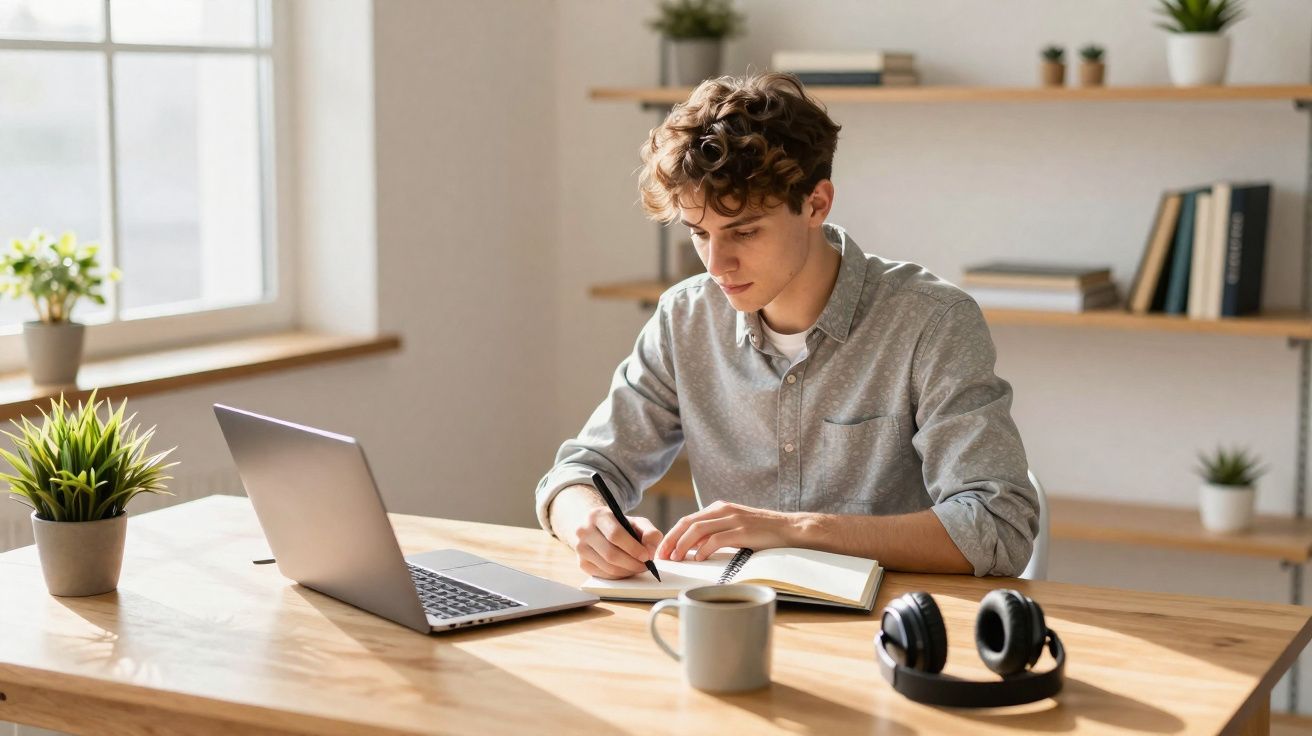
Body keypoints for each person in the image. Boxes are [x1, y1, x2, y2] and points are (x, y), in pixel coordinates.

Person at [534, 72, 1037, 580]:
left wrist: (796, 530)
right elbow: (580, 472)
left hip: (894, 629)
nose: (716, 264)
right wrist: (587, 518)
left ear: (816, 203)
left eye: (744, 231)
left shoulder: (930, 322)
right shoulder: (684, 319)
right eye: (699, 234)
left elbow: (998, 527)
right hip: (733, 619)